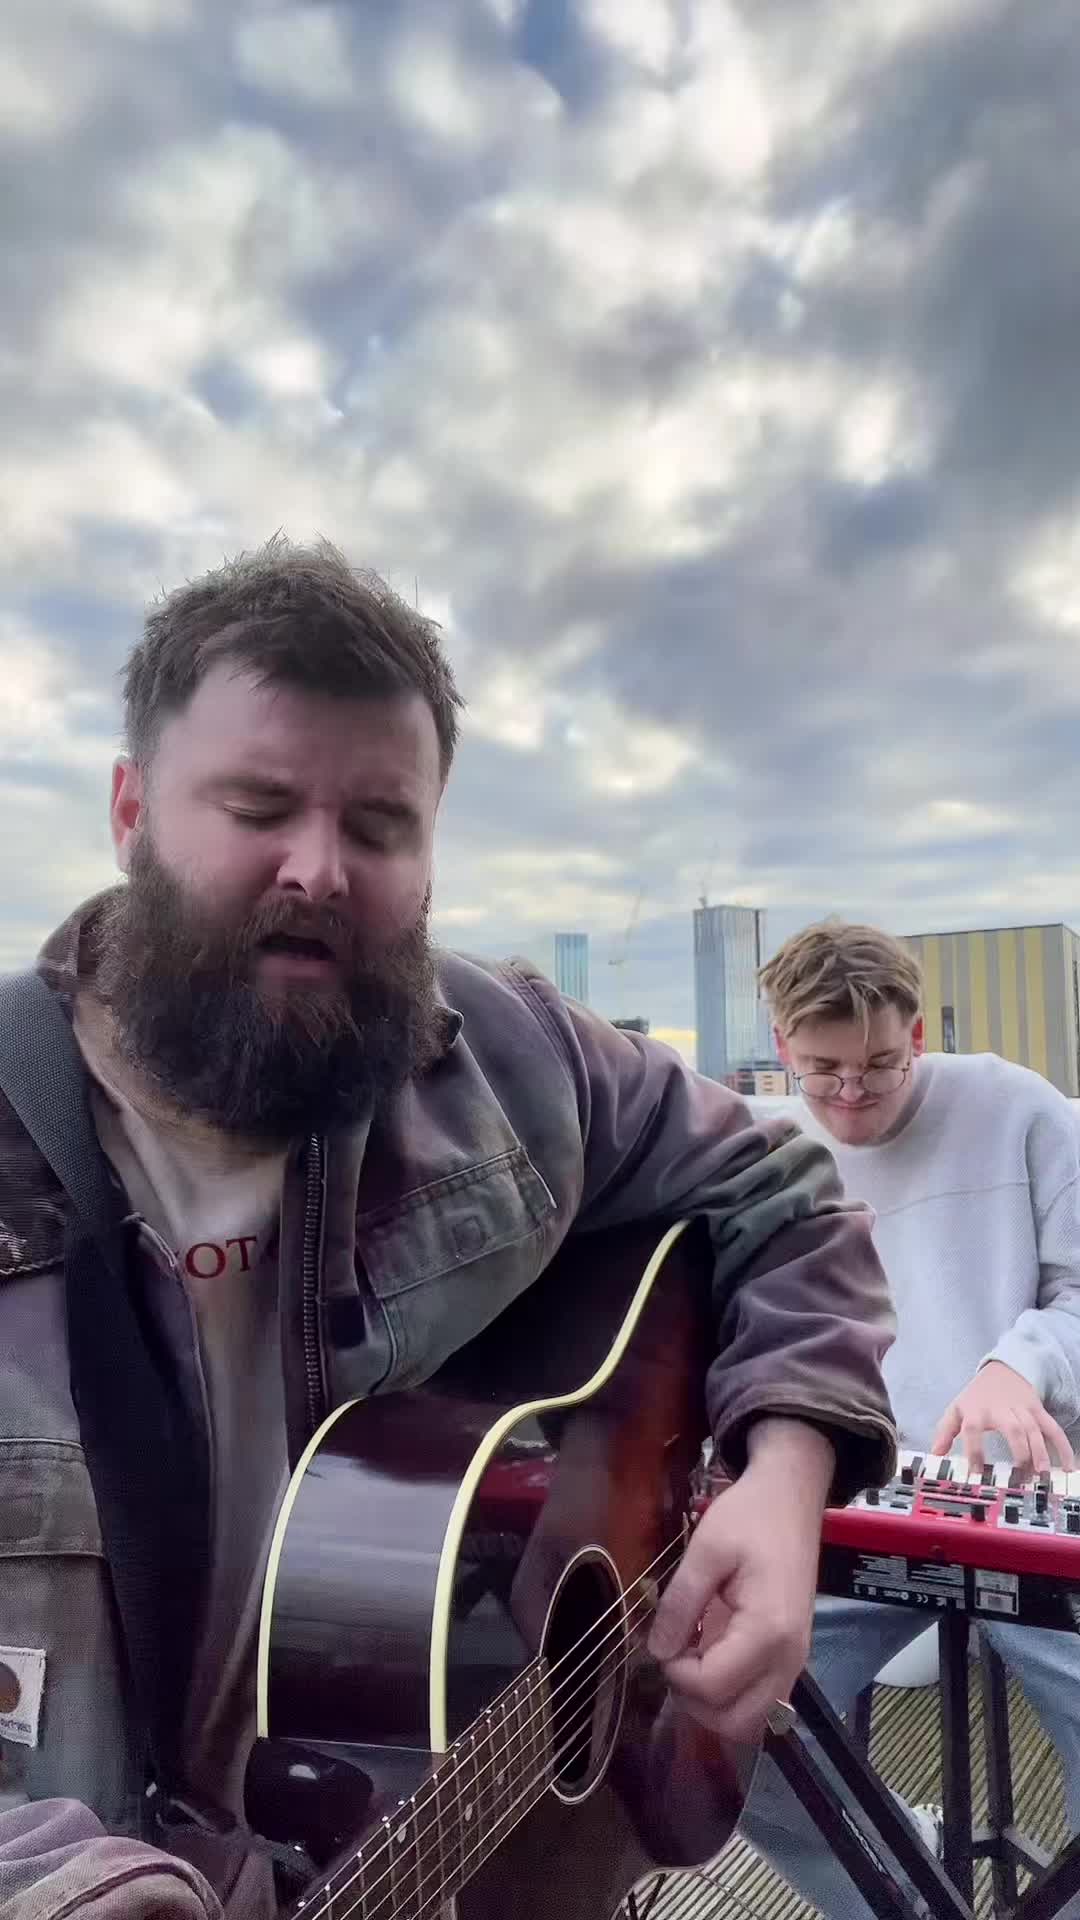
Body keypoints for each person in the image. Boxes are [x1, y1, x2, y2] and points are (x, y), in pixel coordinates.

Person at [0, 542, 896, 1919]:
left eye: (379, 825)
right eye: (258, 806)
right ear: (130, 810)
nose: (319, 870)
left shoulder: (508, 1062)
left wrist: (783, 1480)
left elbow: (780, 1194)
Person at [740, 917, 1080, 1917]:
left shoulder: (1016, 1107)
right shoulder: (770, 1153)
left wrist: (1015, 1365)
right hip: (858, 1508)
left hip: (1032, 1505)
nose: (851, 1093)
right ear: (781, 1047)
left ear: (918, 1036)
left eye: (881, 1065)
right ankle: (902, 1889)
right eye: (823, 1070)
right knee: (723, 1735)